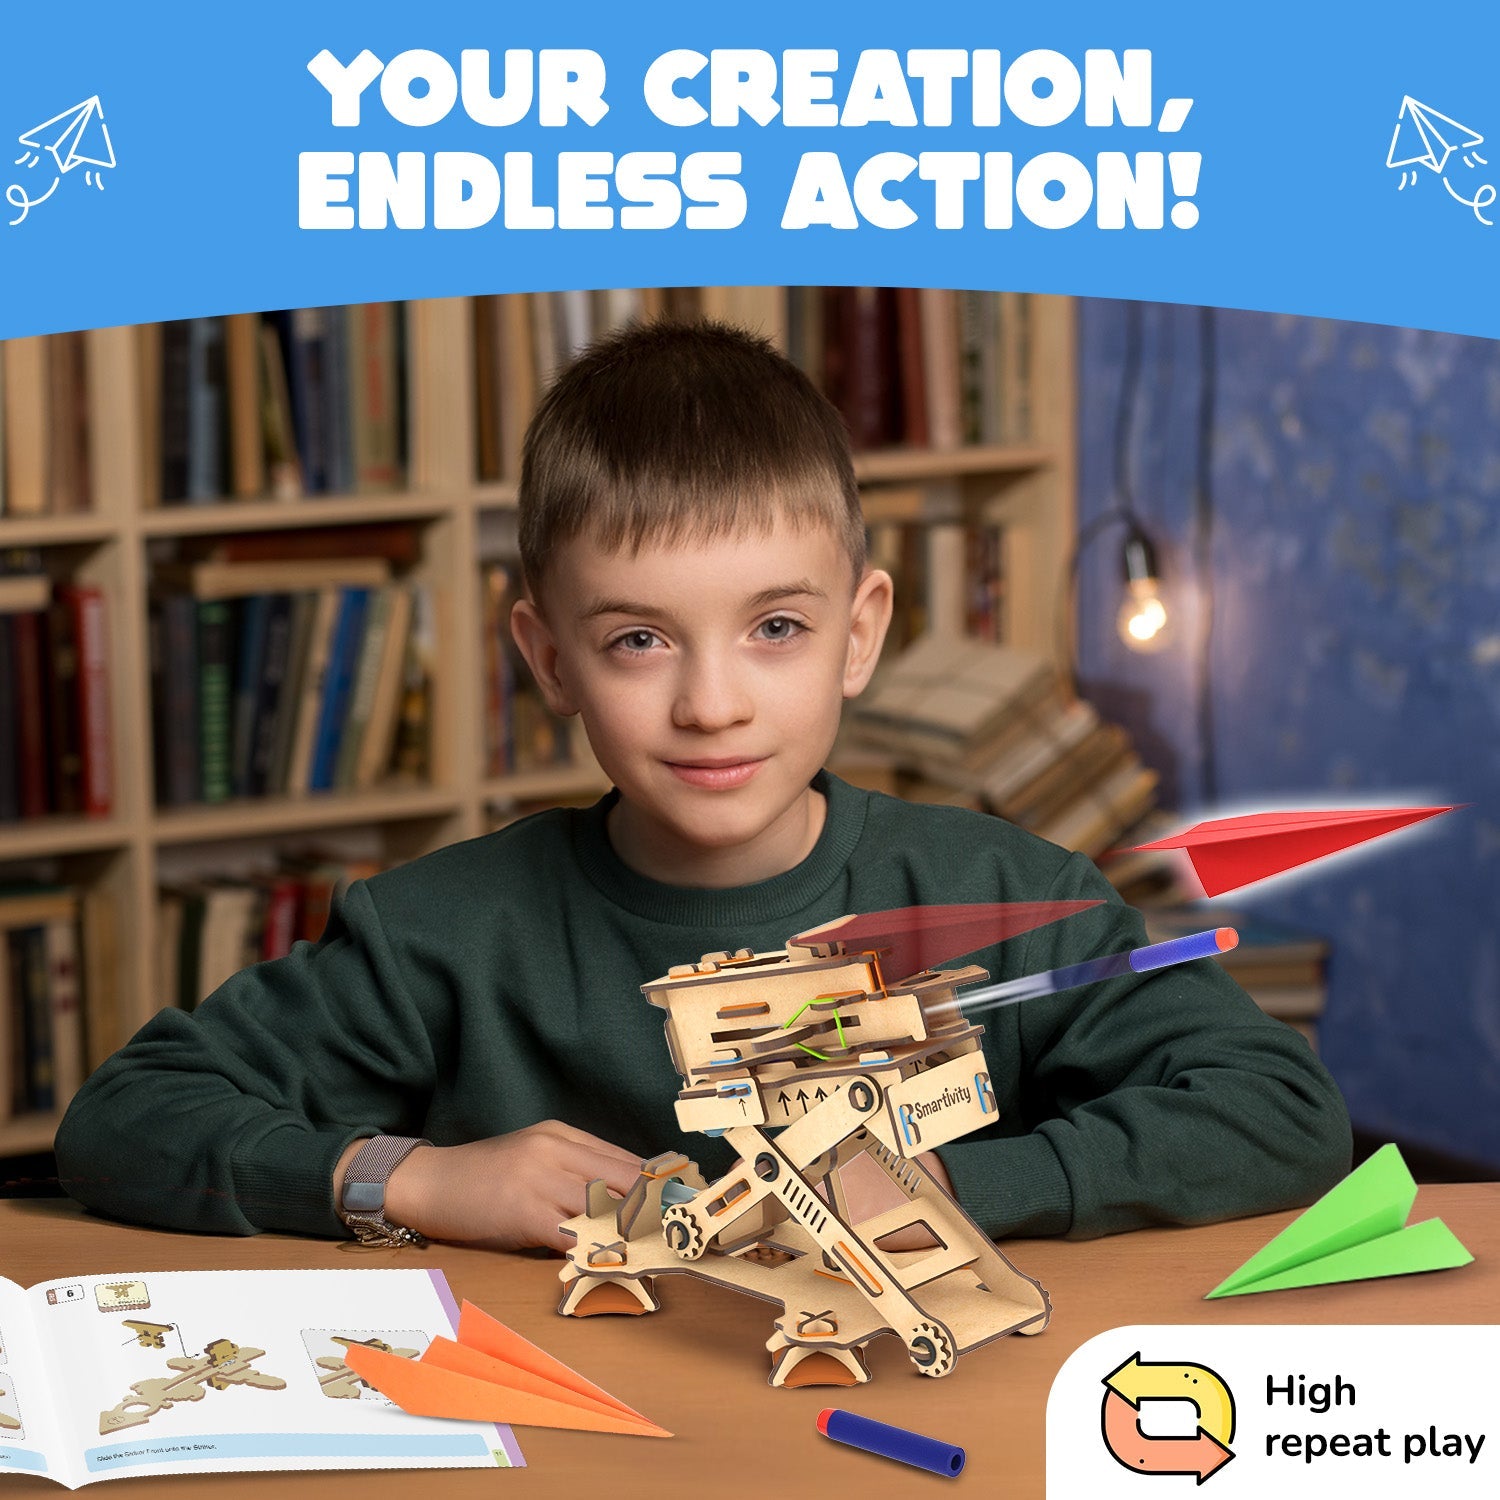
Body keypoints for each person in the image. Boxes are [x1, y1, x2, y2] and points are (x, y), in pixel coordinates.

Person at [55, 318, 1351, 1253]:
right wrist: (413, 1181)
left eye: (776, 629)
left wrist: (953, 1189)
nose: (712, 702)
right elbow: (123, 1116)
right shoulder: (434, 934)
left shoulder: (1010, 894)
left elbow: (1282, 1109)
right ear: (547, 658)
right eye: (639, 640)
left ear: (860, 632)